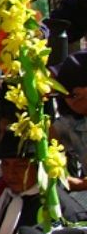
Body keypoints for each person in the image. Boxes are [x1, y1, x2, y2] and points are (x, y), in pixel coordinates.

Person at [0, 133, 87, 234]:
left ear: (39, 167)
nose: (10, 173)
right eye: (5, 164)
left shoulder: (61, 209)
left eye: (20, 166)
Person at [50, 50, 87, 191]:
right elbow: (46, 144)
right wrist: (66, 179)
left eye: (77, 94)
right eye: (67, 95)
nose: (72, 100)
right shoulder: (71, 123)